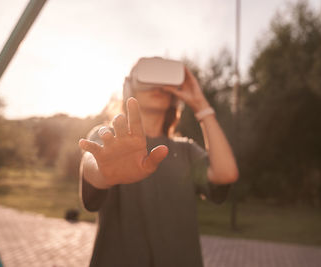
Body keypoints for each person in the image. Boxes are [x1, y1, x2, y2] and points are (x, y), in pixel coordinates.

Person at [78, 57, 238, 267]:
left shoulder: (186, 151)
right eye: (148, 76)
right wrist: (104, 172)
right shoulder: (110, 137)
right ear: (130, 86)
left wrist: (201, 105)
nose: (157, 86)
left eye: (165, 80)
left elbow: (225, 173)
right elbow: (92, 163)